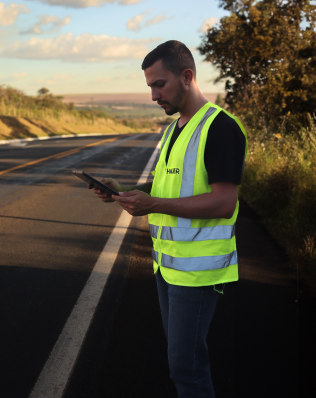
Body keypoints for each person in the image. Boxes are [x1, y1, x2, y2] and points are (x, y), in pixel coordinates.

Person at [91, 40, 247, 398]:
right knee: (182, 362)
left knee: (186, 367)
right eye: (149, 86)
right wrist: (125, 189)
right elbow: (168, 185)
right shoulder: (176, 127)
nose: (152, 95)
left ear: (187, 76)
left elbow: (224, 202)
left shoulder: (221, 128)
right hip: (168, 268)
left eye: (159, 84)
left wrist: (154, 204)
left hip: (199, 271)